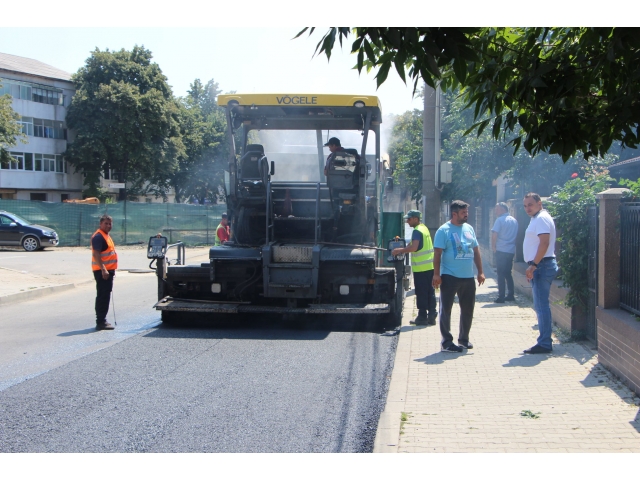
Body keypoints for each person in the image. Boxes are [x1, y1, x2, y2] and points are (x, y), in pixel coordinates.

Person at [432, 200, 485, 353]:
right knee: (446, 310)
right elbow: (437, 254)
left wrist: (480, 272)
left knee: (468, 309)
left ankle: (464, 339)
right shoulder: (443, 231)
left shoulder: (469, 228)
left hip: (468, 276)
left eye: (466, 212)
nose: (466, 215)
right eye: (463, 212)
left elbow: (476, 251)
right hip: (449, 276)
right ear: (454, 214)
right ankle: (446, 342)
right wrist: (436, 274)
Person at [522, 192, 558, 354]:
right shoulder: (537, 218)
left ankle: (544, 343)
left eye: (530, 204)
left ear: (539, 203)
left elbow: (544, 243)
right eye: (525, 206)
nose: (527, 208)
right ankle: (544, 341)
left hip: (541, 266)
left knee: (541, 306)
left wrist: (533, 265)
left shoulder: (542, 218)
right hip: (541, 265)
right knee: (541, 305)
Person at [391, 210, 437, 325]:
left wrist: (400, 250)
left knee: (421, 292)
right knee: (430, 291)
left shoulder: (416, 231)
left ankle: (422, 316)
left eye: (409, 219)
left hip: (421, 268)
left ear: (416, 219)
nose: (407, 221)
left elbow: (414, 247)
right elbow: (413, 244)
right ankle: (432, 315)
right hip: (429, 266)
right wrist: (405, 247)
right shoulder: (424, 228)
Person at [91, 214, 118, 331]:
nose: (108, 225)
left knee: (105, 295)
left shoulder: (106, 235)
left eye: (110, 223)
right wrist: (103, 269)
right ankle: (101, 321)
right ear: (100, 224)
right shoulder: (99, 237)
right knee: (103, 296)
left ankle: (102, 320)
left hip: (107, 271)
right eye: (106, 223)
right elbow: (96, 254)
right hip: (102, 272)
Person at [491, 202, 518, 303]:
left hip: (501, 250)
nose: (495, 211)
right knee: (508, 273)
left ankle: (501, 296)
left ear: (503, 209)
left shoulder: (499, 220)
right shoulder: (514, 220)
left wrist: (493, 247)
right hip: (510, 250)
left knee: (500, 274)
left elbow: (495, 234)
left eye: (497, 209)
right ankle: (511, 295)